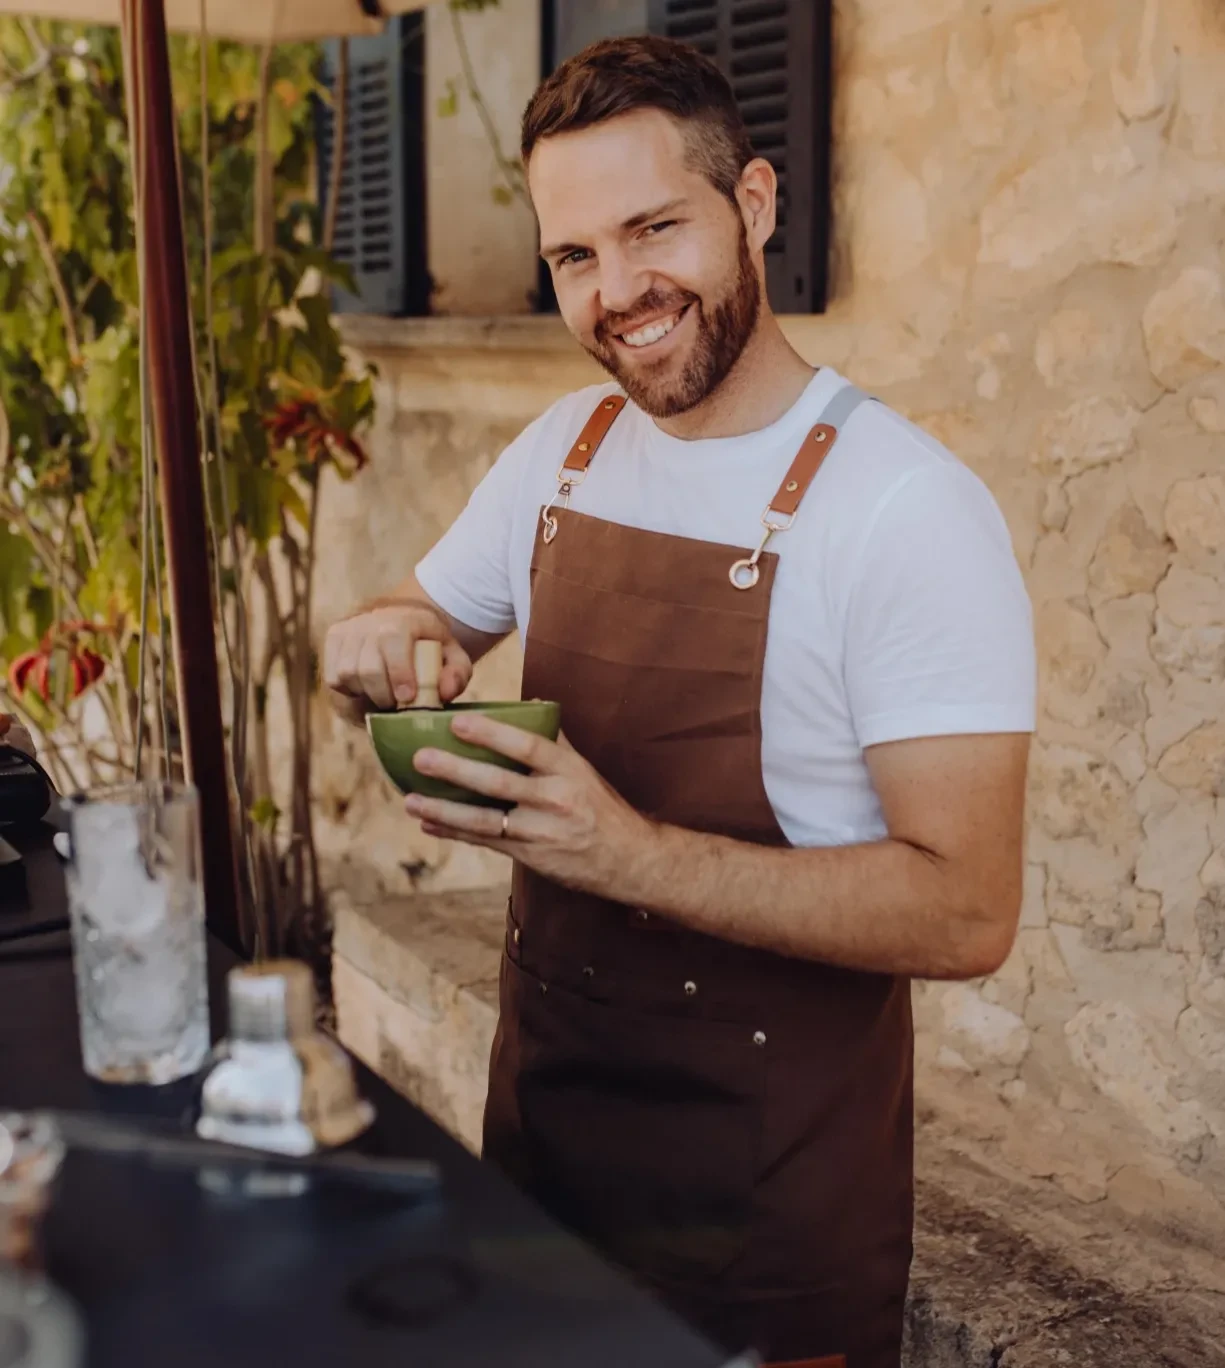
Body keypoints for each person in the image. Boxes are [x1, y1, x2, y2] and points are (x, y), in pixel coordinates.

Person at [324, 35, 1035, 1368]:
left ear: (754, 203)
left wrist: (628, 855)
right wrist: (380, 642)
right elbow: (421, 618)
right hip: (541, 1159)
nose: (621, 292)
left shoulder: (904, 510)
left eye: (655, 229)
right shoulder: (564, 451)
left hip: (765, 1225)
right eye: (575, 257)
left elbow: (969, 907)